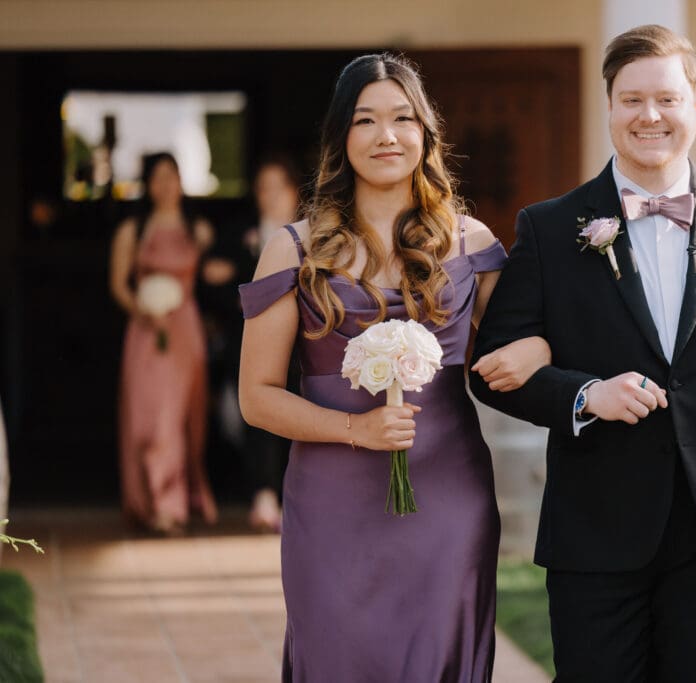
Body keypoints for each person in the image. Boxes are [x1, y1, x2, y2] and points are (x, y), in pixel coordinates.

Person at [470, 25, 696, 682]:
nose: (650, 115)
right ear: (610, 106)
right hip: (596, 525)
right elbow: (492, 370)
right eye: (632, 99)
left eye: (667, 99)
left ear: (695, 104)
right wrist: (586, 394)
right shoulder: (549, 227)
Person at [237, 53, 549, 681]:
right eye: (366, 120)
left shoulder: (472, 243)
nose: (387, 135)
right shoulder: (292, 249)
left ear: (425, 133)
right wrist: (355, 429)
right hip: (330, 504)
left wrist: (539, 349)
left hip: (448, 498)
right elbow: (257, 397)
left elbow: (525, 345)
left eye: (403, 118)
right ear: (340, 136)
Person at [110, 152, 219, 534]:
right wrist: (142, 310)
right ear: (148, 184)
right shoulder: (133, 231)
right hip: (146, 332)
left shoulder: (198, 230)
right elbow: (118, 284)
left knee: (183, 416)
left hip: (185, 329)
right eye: (157, 177)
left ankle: (176, 500)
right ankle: (153, 501)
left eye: (171, 175)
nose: (166, 184)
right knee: (150, 416)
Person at [203, 155, 304, 532]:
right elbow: (210, 284)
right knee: (257, 414)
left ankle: (293, 494)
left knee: (300, 414)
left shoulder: (315, 234)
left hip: (303, 348)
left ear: (295, 192)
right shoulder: (238, 235)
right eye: (264, 188)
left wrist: (238, 275)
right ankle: (262, 493)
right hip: (248, 343)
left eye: (279, 187)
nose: (272, 195)